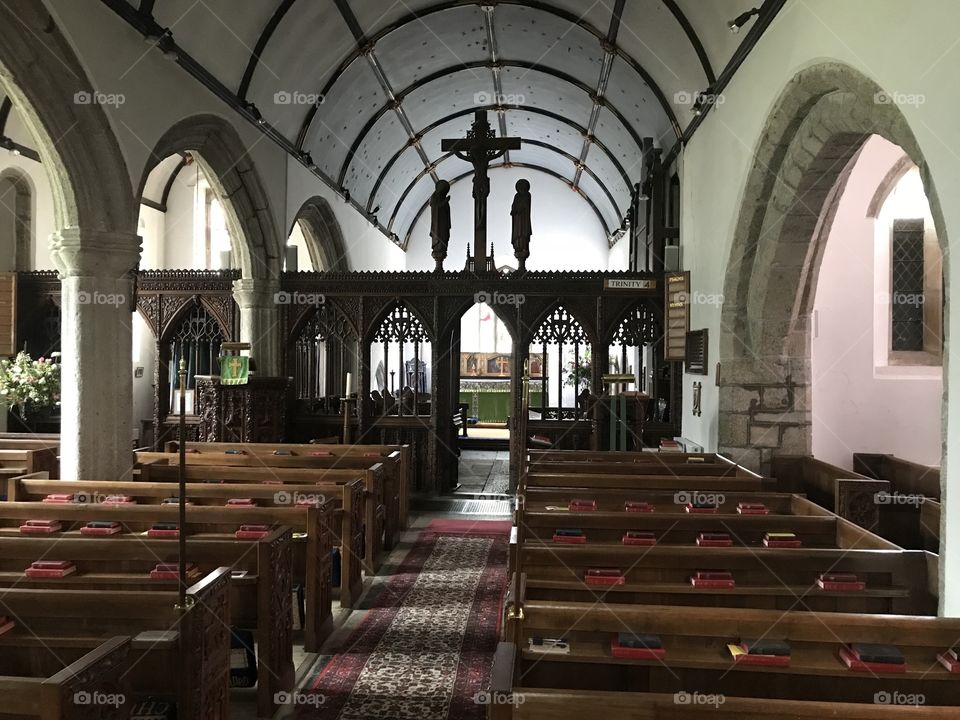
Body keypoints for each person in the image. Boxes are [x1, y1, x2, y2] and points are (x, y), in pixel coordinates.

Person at [430, 180, 451, 272]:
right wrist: (444, 202)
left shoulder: (442, 198)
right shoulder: (435, 198)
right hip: (437, 226)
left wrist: (445, 202)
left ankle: (439, 265)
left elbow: (446, 213)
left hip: (443, 226)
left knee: (444, 239)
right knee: (439, 243)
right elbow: (436, 208)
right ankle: (438, 265)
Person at [511, 179, 531, 271]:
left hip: (523, 220)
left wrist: (518, 208)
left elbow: (525, 206)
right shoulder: (517, 196)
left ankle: (523, 252)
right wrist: (514, 210)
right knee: (518, 238)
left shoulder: (527, 195)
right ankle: (518, 249)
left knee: (523, 237)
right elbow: (513, 207)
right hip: (517, 221)